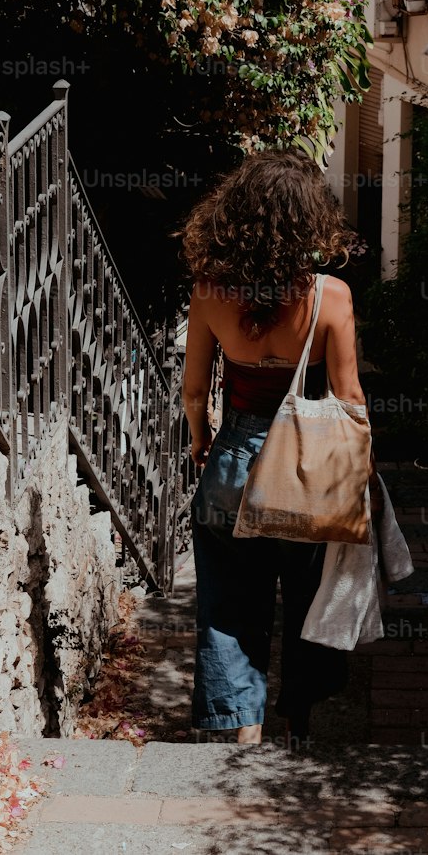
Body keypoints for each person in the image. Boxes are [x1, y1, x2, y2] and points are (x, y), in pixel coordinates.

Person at [179, 149, 376, 748]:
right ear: (308, 220)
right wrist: (361, 470)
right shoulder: (331, 298)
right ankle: (301, 725)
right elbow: (349, 397)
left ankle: (244, 732)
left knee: (230, 605)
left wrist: (201, 442)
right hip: (308, 471)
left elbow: (193, 394)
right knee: (312, 602)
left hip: (233, 465)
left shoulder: (210, 292)